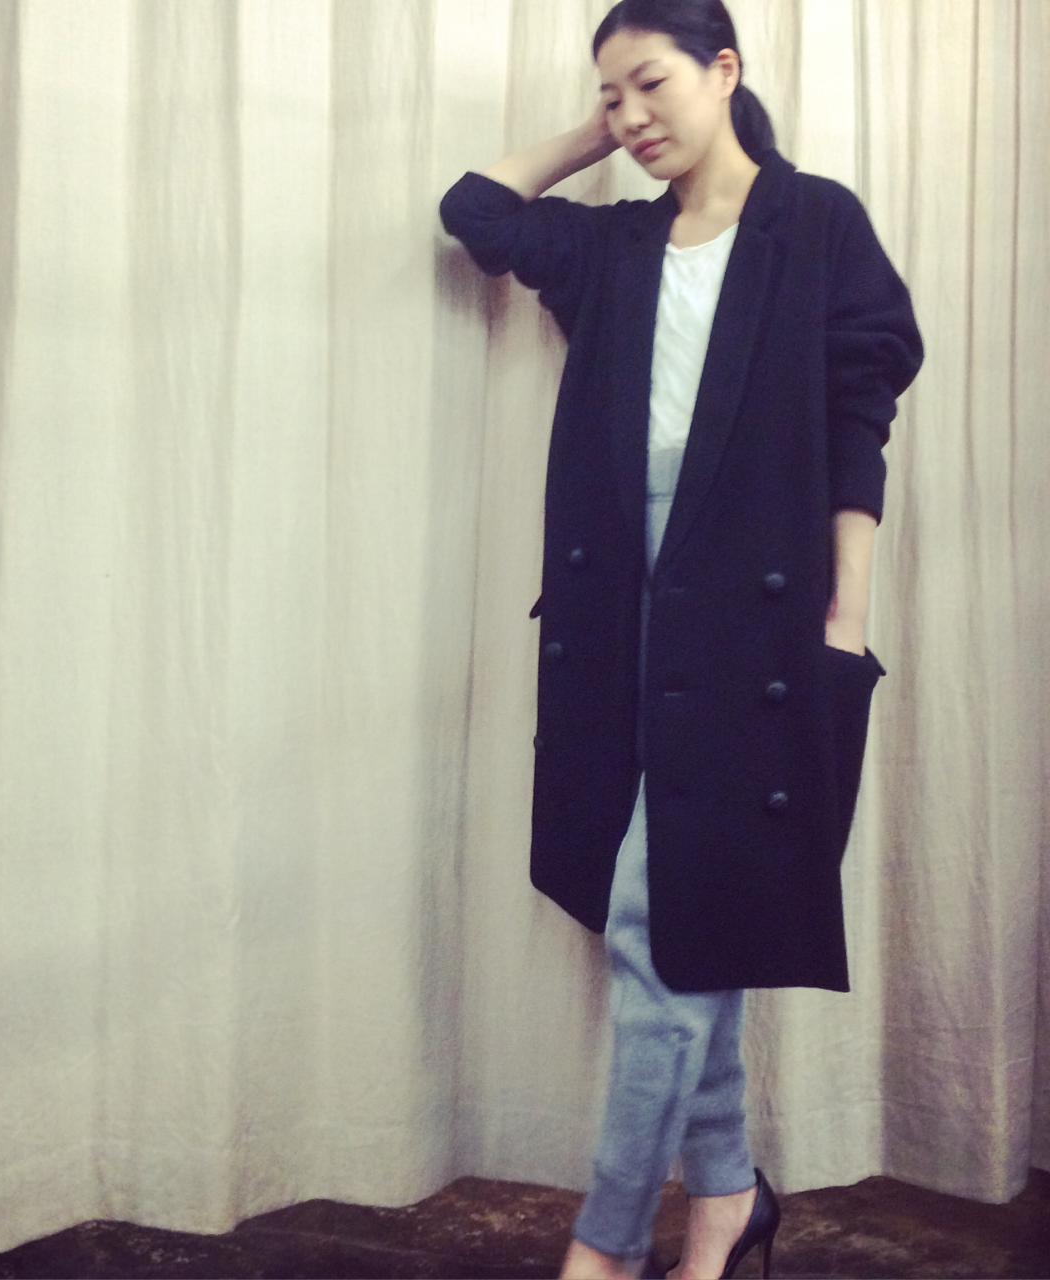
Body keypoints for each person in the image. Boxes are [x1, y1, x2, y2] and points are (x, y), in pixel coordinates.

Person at [438, 1, 924, 1277]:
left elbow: (859, 409)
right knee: (673, 920)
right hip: (618, 620)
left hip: (757, 626)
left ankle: (602, 1247)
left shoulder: (813, 223)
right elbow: (475, 210)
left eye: (649, 82)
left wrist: (844, 616)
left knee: (661, 927)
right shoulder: (615, 245)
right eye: (609, 94)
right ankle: (725, 1200)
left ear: (724, 67)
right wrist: (594, 137)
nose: (630, 113)